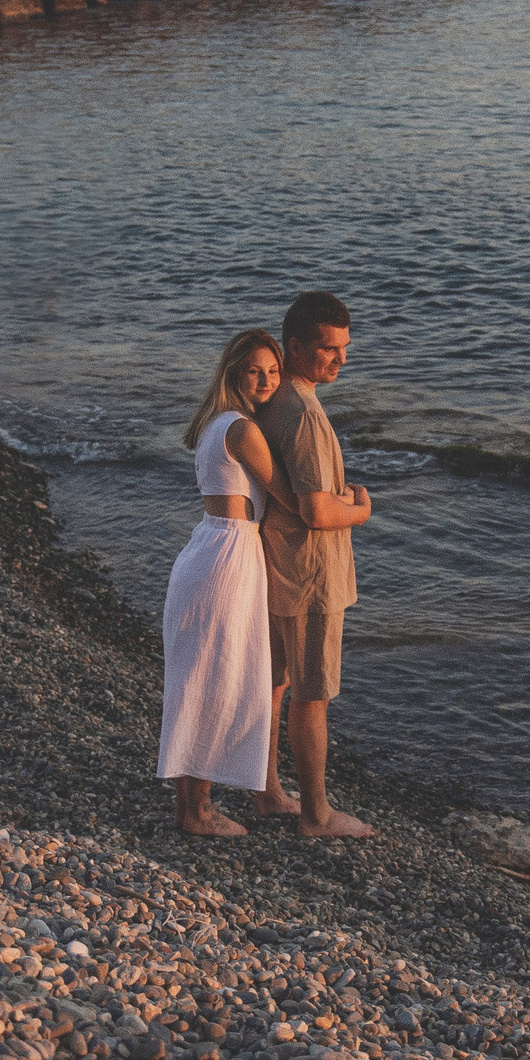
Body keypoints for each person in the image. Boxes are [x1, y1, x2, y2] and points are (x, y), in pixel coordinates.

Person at [158, 329, 301, 836]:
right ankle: (196, 811)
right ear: (235, 372)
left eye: (274, 372)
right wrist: (353, 506)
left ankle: (223, 800)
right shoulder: (241, 429)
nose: (266, 381)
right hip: (228, 557)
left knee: (204, 678)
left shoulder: (216, 423)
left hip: (210, 548)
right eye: (255, 371)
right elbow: (287, 496)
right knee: (214, 680)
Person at [257, 290, 375, 839]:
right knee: (312, 695)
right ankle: (316, 815)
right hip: (311, 575)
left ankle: (269, 791)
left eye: (346, 348)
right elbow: (315, 510)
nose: (342, 360)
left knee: (279, 684)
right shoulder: (302, 412)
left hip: (280, 567)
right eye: (330, 349)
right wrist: (360, 509)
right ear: (297, 346)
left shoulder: (277, 397)